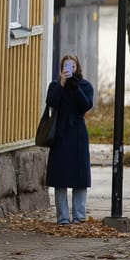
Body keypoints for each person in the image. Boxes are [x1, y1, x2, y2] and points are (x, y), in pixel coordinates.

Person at [44, 54, 95, 225]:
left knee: (79, 177)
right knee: (60, 176)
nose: (69, 68)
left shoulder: (85, 85)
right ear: (61, 68)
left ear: (77, 67)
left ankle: (79, 216)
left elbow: (86, 105)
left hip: (78, 134)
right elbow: (51, 102)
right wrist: (62, 85)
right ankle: (63, 217)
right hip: (60, 134)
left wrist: (74, 87)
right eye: (66, 65)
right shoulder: (55, 85)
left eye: (72, 65)